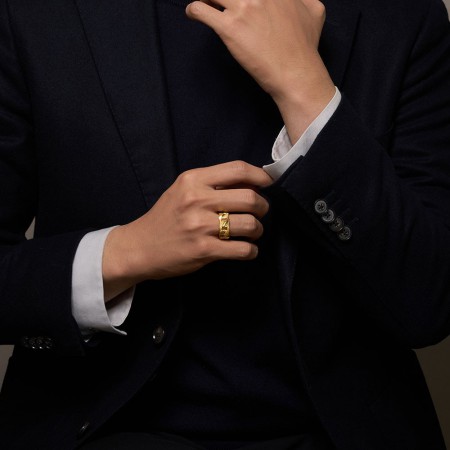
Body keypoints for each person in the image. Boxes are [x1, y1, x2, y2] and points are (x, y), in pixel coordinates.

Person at [0, 0, 449, 448]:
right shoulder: (34, 13)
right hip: (103, 428)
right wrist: (124, 253)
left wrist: (303, 85)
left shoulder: (402, 16)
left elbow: (428, 304)